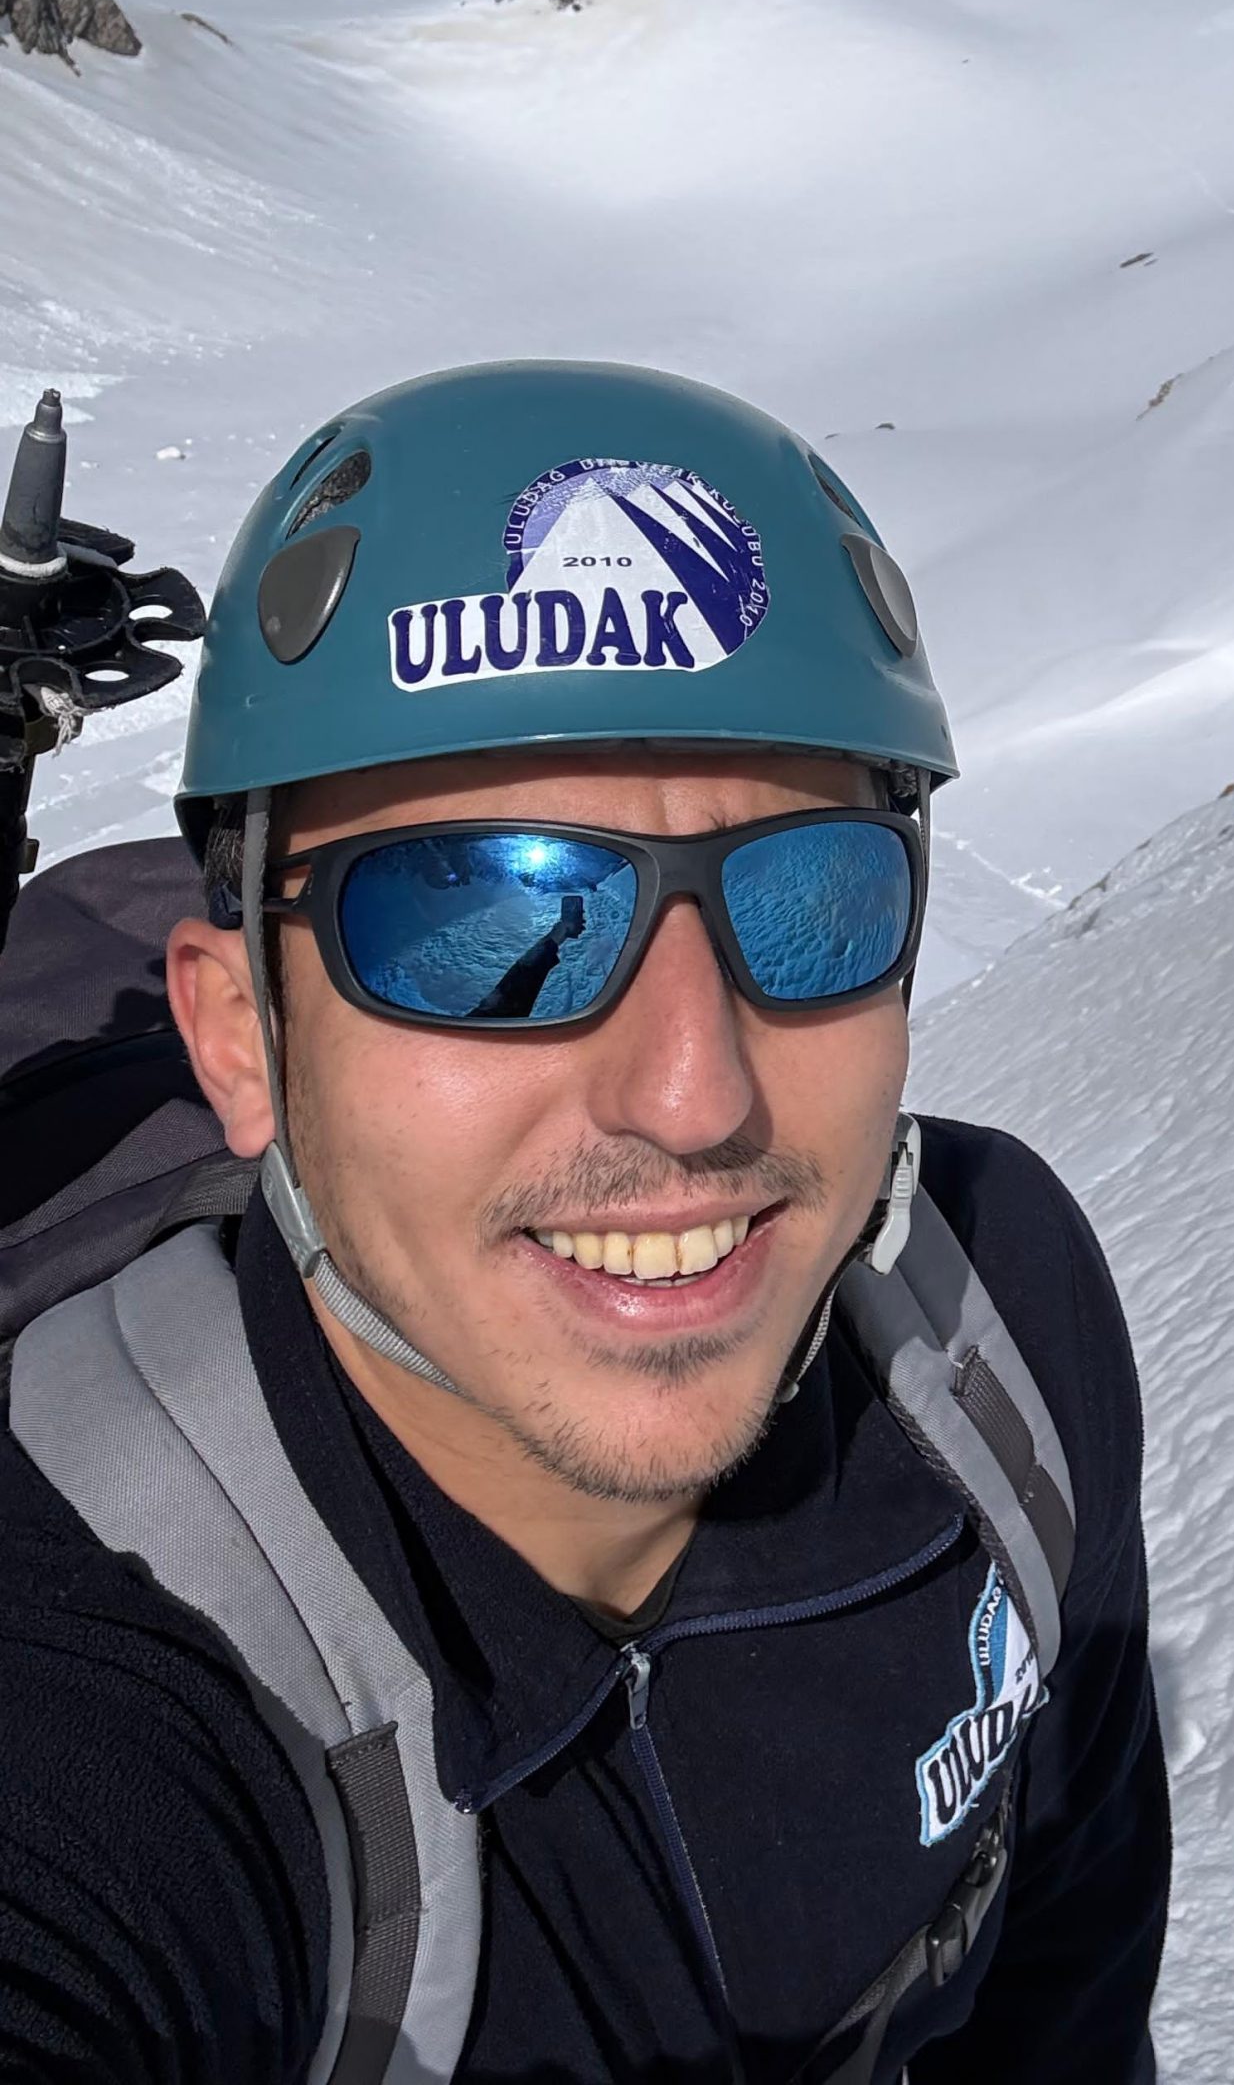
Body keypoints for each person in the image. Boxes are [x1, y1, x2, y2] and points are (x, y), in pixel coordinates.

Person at [0, 359, 1168, 2084]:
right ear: (241, 1037)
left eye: (813, 893)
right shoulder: (110, 1690)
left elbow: (1067, 1996)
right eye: (486, 916)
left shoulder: (996, 1328)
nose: (694, 1098)